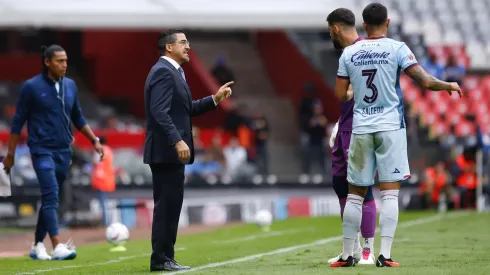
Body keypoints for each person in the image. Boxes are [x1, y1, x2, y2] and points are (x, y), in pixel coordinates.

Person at [332, 3, 462, 268]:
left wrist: (356, 91)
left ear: (364, 25)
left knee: (355, 195)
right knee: (390, 193)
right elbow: (425, 81)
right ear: (388, 23)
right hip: (391, 127)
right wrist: (447, 84)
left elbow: (340, 94)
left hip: (361, 128)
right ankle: (384, 255)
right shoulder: (398, 48)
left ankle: (347, 255)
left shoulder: (350, 52)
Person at [2, 44, 104, 261]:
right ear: (47, 62)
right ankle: (57, 245)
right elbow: (17, 122)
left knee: (51, 198)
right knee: (51, 195)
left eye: (66, 61)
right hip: (41, 150)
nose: (64, 65)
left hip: (63, 152)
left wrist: (94, 140)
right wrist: (10, 154)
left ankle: (38, 245)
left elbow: (78, 117)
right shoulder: (31, 87)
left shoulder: (71, 86)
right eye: (59, 61)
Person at [143, 29, 233, 272]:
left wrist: (214, 99)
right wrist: (177, 141)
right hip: (166, 151)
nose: (188, 46)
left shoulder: (174, 72)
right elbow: (158, 112)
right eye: (183, 42)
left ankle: (165, 258)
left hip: (169, 151)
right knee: (167, 206)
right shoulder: (163, 71)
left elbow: (184, 111)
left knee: (171, 205)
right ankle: (161, 259)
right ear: (168, 47)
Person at [326, 8, 377, 265]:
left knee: (361, 189)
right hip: (345, 126)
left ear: (335, 28)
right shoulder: (350, 53)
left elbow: (353, 92)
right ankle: (352, 249)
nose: (330, 36)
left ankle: (368, 250)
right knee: (339, 184)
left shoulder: (360, 52)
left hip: (360, 129)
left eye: (329, 31)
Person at [91, 136, 115, 226]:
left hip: (100, 179)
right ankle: (107, 221)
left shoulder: (99, 149)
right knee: (105, 201)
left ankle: (105, 222)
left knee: (102, 202)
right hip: (108, 179)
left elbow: (95, 162)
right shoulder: (109, 150)